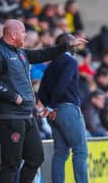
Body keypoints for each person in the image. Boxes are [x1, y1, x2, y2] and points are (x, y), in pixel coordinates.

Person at [0, 19, 86, 183]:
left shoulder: (21, 52)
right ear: (13, 34)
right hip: (10, 117)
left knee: (36, 158)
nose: (25, 35)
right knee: (11, 163)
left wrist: (67, 45)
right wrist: (12, 96)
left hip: (26, 115)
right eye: (23, 32)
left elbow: (43, 54)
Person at [38, 33, 88, 183]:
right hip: (67, 109)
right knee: (80, 150)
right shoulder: (70, 62)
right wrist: (52, 107)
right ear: (70, 44)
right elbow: (63, 83)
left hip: (54, 114)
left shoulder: (51, 65)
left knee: (60, 153)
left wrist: (49, 106)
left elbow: (41, 91)